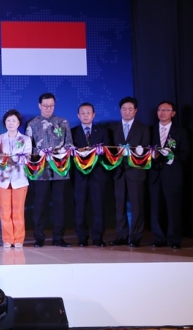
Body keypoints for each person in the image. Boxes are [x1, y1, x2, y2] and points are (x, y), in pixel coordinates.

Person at [25, 92, 73, 248]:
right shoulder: (32, 124)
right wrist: (40, 152)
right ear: (39, 105)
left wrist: (61, 152)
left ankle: (58, 237)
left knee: (59, 204)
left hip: (60, 169)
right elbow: (27, 148)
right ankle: (39, 238)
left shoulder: (63, 122)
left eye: (51, 105)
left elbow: (69, 144)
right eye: (45, 105)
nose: (48, 108)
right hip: (40, 171)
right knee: (39, 204)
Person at [109, 96, 150, 248]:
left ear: (136, 110)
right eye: (124, 109)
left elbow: (146, 151)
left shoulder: (143, 128)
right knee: (119, 205)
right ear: (120, 110)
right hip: (118, 172)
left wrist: (131, 152)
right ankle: (121, 235)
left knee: (136, 205)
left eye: (130, 109)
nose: (127, 111)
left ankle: (136, 237)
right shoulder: (112, 128)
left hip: (136, 172)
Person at [149, 101, 189, 249]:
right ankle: (159, 238)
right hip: (154, 174)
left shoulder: (180, 132)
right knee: (156, 208)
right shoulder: (151, 130)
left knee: (173, 208)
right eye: (160, 109)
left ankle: (174, 239)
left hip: (173, 175)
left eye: (166, 110)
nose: (162, 112)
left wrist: (171, 154)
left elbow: (186, 154)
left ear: (173, 113)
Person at [71, 102, 110, 247]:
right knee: (80, 207)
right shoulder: (72, 132)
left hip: (98, 174)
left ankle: (98, 236)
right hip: (79, 175)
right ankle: (82, 237)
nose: (85, 115)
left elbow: (108, 153)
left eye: (88, 113)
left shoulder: (103, 131)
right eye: (82, 113)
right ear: (78, 115)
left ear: (93, 115)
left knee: (98, 206)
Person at [0, 109, 32, 249]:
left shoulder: (26, 139)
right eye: (8, 120)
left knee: (18, 211)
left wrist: (11, 158)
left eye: (14, 121)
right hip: (3, 180)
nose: (11, 123)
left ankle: (18, 239)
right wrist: (2, 159)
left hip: (20, 179)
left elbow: (27, 158)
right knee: (5, 211)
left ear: (19, 123)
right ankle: (7, 239)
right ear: (5, 122)